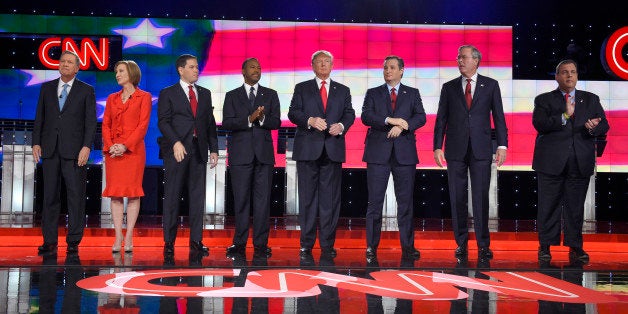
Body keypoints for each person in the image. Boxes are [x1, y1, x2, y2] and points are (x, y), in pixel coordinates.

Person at [433, 44, 508, 260]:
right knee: (457, 198)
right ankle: (461, 244)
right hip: (455, 150)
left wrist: (502, 145)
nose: (459, 61)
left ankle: (484, 244)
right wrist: (438, 146)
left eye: (463, 57)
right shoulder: (449, 87)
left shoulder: (491, 85)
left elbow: (499, 117)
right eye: (458, 58)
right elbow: (441, 120)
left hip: (482, 149)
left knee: (480, 198)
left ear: (476, 60)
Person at [532, 59, 609, 263]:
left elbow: (604, 125)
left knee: (575, 208)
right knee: (548, 206)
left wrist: (594, 126)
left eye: (573, 72)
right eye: (564, 72)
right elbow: (540, 124)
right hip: (551, 163)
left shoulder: (591, 99)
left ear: (577, 76)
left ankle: (575, 247)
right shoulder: (544, 100)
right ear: (557, 77)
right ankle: (545, 246)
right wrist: (565, 115)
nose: (569, 76)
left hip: (579, 161)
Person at [288, 50, 355, 258]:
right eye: (319, 62)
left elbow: (349, 113)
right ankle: (306, 244)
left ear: (333, 65)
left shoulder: (343, 90)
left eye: (327, 62)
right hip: (308, 149)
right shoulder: (302, 88)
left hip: (332, 149)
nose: (324, 65)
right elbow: (293, 112)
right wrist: (310, 120)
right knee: (307, 199)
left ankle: (327, 245)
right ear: (312, 65)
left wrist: (342, 126)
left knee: (330, 200)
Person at [361, 55, 426, 261]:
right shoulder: (373, 93)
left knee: (405, 203)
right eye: (385, 68)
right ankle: (371, 246)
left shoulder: (412, 93)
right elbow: (366, 116)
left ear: (401, 70)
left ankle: (408, 247)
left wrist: (403, 125)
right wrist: (390, 120)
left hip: (404, 154)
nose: (387, 71)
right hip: (377, 153)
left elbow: (421, 117)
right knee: (374, 203)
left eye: (391, 67)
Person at [32, 50, 97, 254]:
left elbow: (90, 122)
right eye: (62, 61)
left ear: (77, 68)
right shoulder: (47, 88)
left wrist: (87, 146)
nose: (65, 64)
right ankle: (49, 240)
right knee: (49, 196)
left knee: (75, 196)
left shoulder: (86, 90)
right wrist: (36, 143)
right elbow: (39, 118)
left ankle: (73, 241)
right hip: (50, 149)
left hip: (75, 151)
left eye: (70, 62)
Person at [157, 54, 219, 257]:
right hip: (176, 151)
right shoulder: (168, 93)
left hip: (198, 150)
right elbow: (163, 122)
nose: (196, 70)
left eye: (196, 67)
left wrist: (214, 149)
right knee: (172, 197)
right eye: (192, 67)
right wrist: (175, 142)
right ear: (180, 70)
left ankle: (196, 241)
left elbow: (209, 123)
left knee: (198, 198)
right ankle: (169, 242)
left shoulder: (205, 93)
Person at [222, 58, 281, 258]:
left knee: (263, 202)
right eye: (253, 67)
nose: (257, 70)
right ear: (243, 70)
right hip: (240, 156)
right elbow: (228, 122)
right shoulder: (232, 96)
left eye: (259, 67)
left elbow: (276, 122)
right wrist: (249, 119)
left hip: (263, 157)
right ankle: (239, 243)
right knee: (241, 201)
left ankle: (261, 244)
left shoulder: (270, 94)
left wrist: (262, 118)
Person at [101, 60, 152, 253]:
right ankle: (117, 236)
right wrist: (111, 145)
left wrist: (125, 145)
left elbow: (142, 126)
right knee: (114, 193)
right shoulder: (111, 98)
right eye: (116, 72)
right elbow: (105, 124)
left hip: (133, 152)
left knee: (132, 193)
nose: (117, 74)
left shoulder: (144, 97)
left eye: (121, 71)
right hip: (113, 151)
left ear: (131, 73)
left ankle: (129, 235)